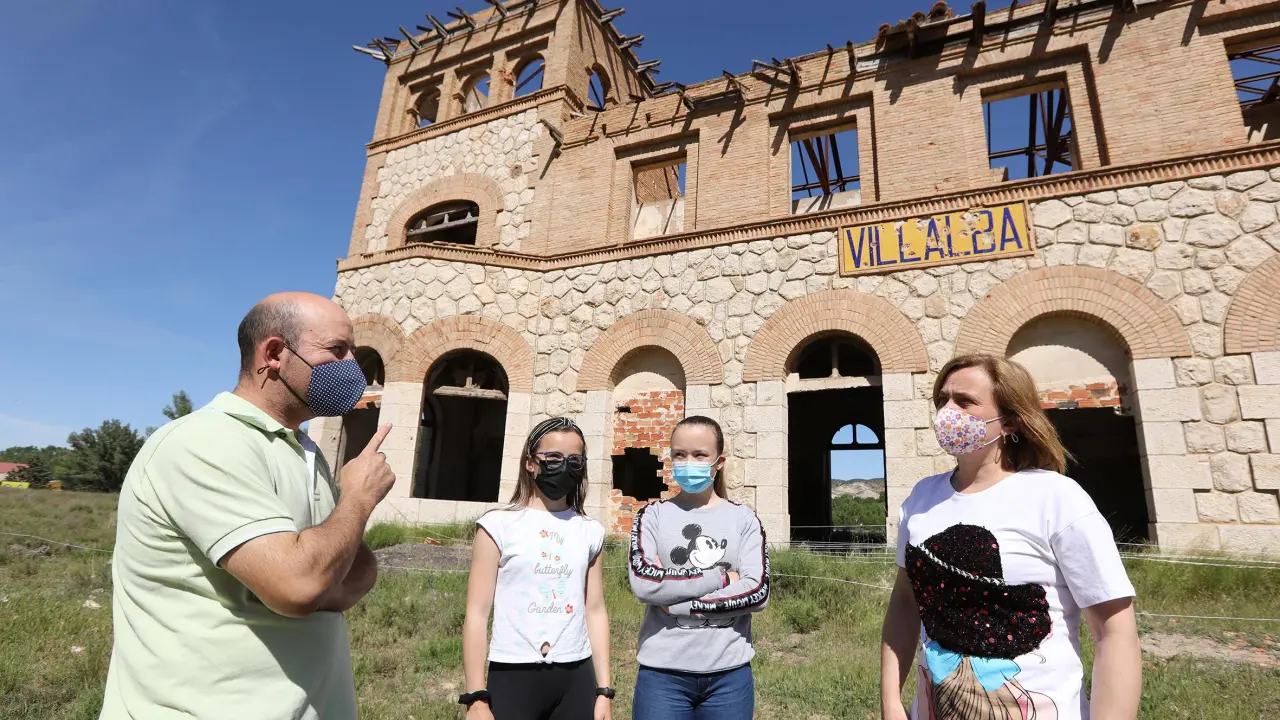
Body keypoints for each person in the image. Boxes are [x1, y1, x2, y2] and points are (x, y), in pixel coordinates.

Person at [100, 292, 395, 720]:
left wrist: (314, 570)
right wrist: (358, 499)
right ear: (274, 354)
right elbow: (299, 586)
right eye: (337, 350)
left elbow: (355, 574)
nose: (354, 365)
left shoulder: (303, 451)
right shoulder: (204, 442)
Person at [880, 354, 1142, 720]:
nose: (947, 412)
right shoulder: (921, 499)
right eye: (942, 400)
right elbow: (905, 603)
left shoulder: (1056, 498)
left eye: (965, 401)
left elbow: (1115, 632)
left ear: (1010, 421)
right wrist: (891, 702)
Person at [459, 417, 614, 720]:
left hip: (577, 675)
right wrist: (476, 697)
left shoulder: (590, 531)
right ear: (530, 463)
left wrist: (604, 691)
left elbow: (595, 609)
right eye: (553, 457)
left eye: (574, 460)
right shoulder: (496, 526)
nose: (564, 466)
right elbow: (476, 613)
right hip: (513, 674)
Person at [628, 415, 771, 720]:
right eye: (680, 454)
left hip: (728, 676)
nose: (688, 463)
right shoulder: (651, 516)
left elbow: (757, 592)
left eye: (700, 455)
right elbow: (644, 583)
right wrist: (722, 578)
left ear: (719, 462)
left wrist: (676, 602)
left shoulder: (744, 519)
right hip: (662, 674)